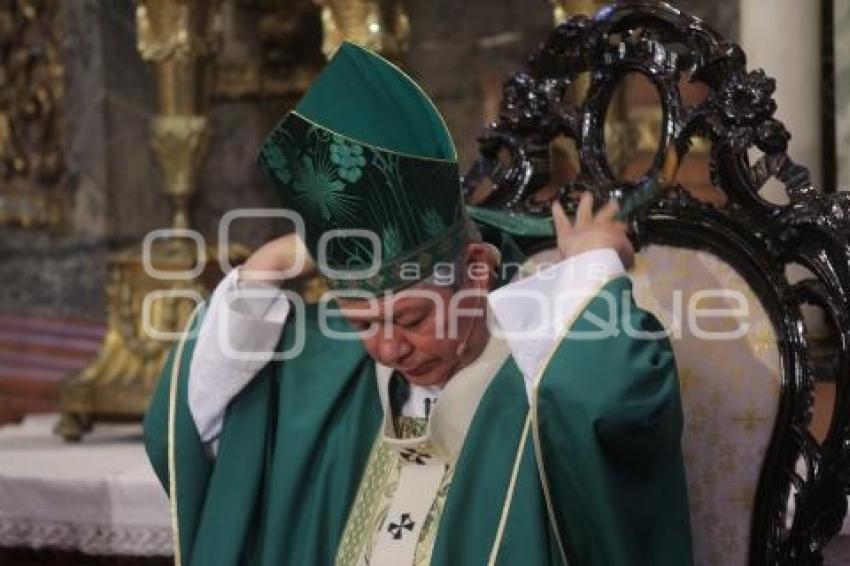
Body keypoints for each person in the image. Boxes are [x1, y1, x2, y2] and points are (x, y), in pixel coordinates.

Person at [143, 41, 692, 565]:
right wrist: (264, 269)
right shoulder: (331, 381)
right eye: (361, 321)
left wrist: (590, 271)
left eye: (412, 317)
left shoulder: (538, 373)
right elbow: (193, 428)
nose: (385, 348)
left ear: (477, 271)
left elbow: (616, 408)